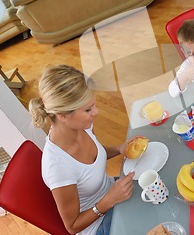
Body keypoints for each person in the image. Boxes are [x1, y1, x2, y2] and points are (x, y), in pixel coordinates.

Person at [29, 65, 136, 235]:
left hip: (112, 193)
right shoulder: (58, 168)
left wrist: (120, 148)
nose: (96, 112)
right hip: (98, 225)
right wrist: (108, 201)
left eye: (93, 105)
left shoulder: (82, 125)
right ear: (62, 115)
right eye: (88, 110)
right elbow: (72, 226)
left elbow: (94, 155)